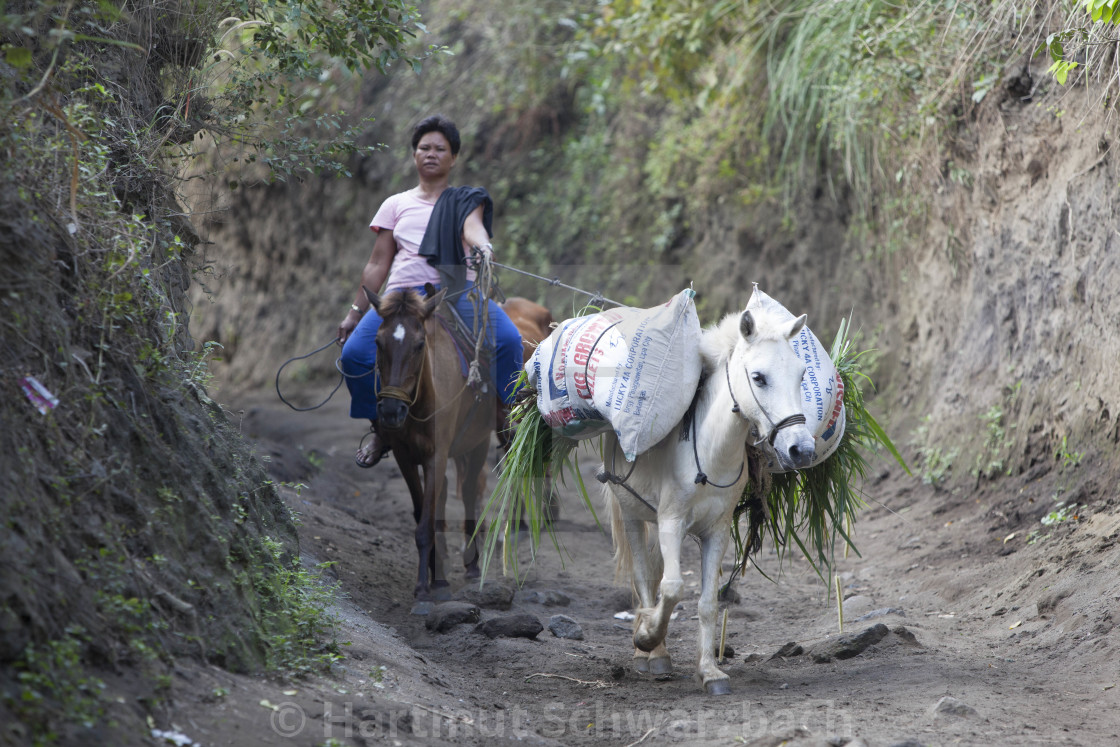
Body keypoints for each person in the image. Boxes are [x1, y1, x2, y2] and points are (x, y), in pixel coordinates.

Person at [338, 115, 524, 468]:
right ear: (414, 155)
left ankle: (510, 418)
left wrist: (483, 248)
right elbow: (378, 264)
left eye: (441, 148)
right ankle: (380, 428)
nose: (431, 154)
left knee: (510, 342)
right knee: (353, 356)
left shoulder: (466, 200)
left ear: (453, 158)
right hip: (399, 299)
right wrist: (354, 312)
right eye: (424, 147)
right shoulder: (395, 204)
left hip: (455, 293)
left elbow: (474, 231)